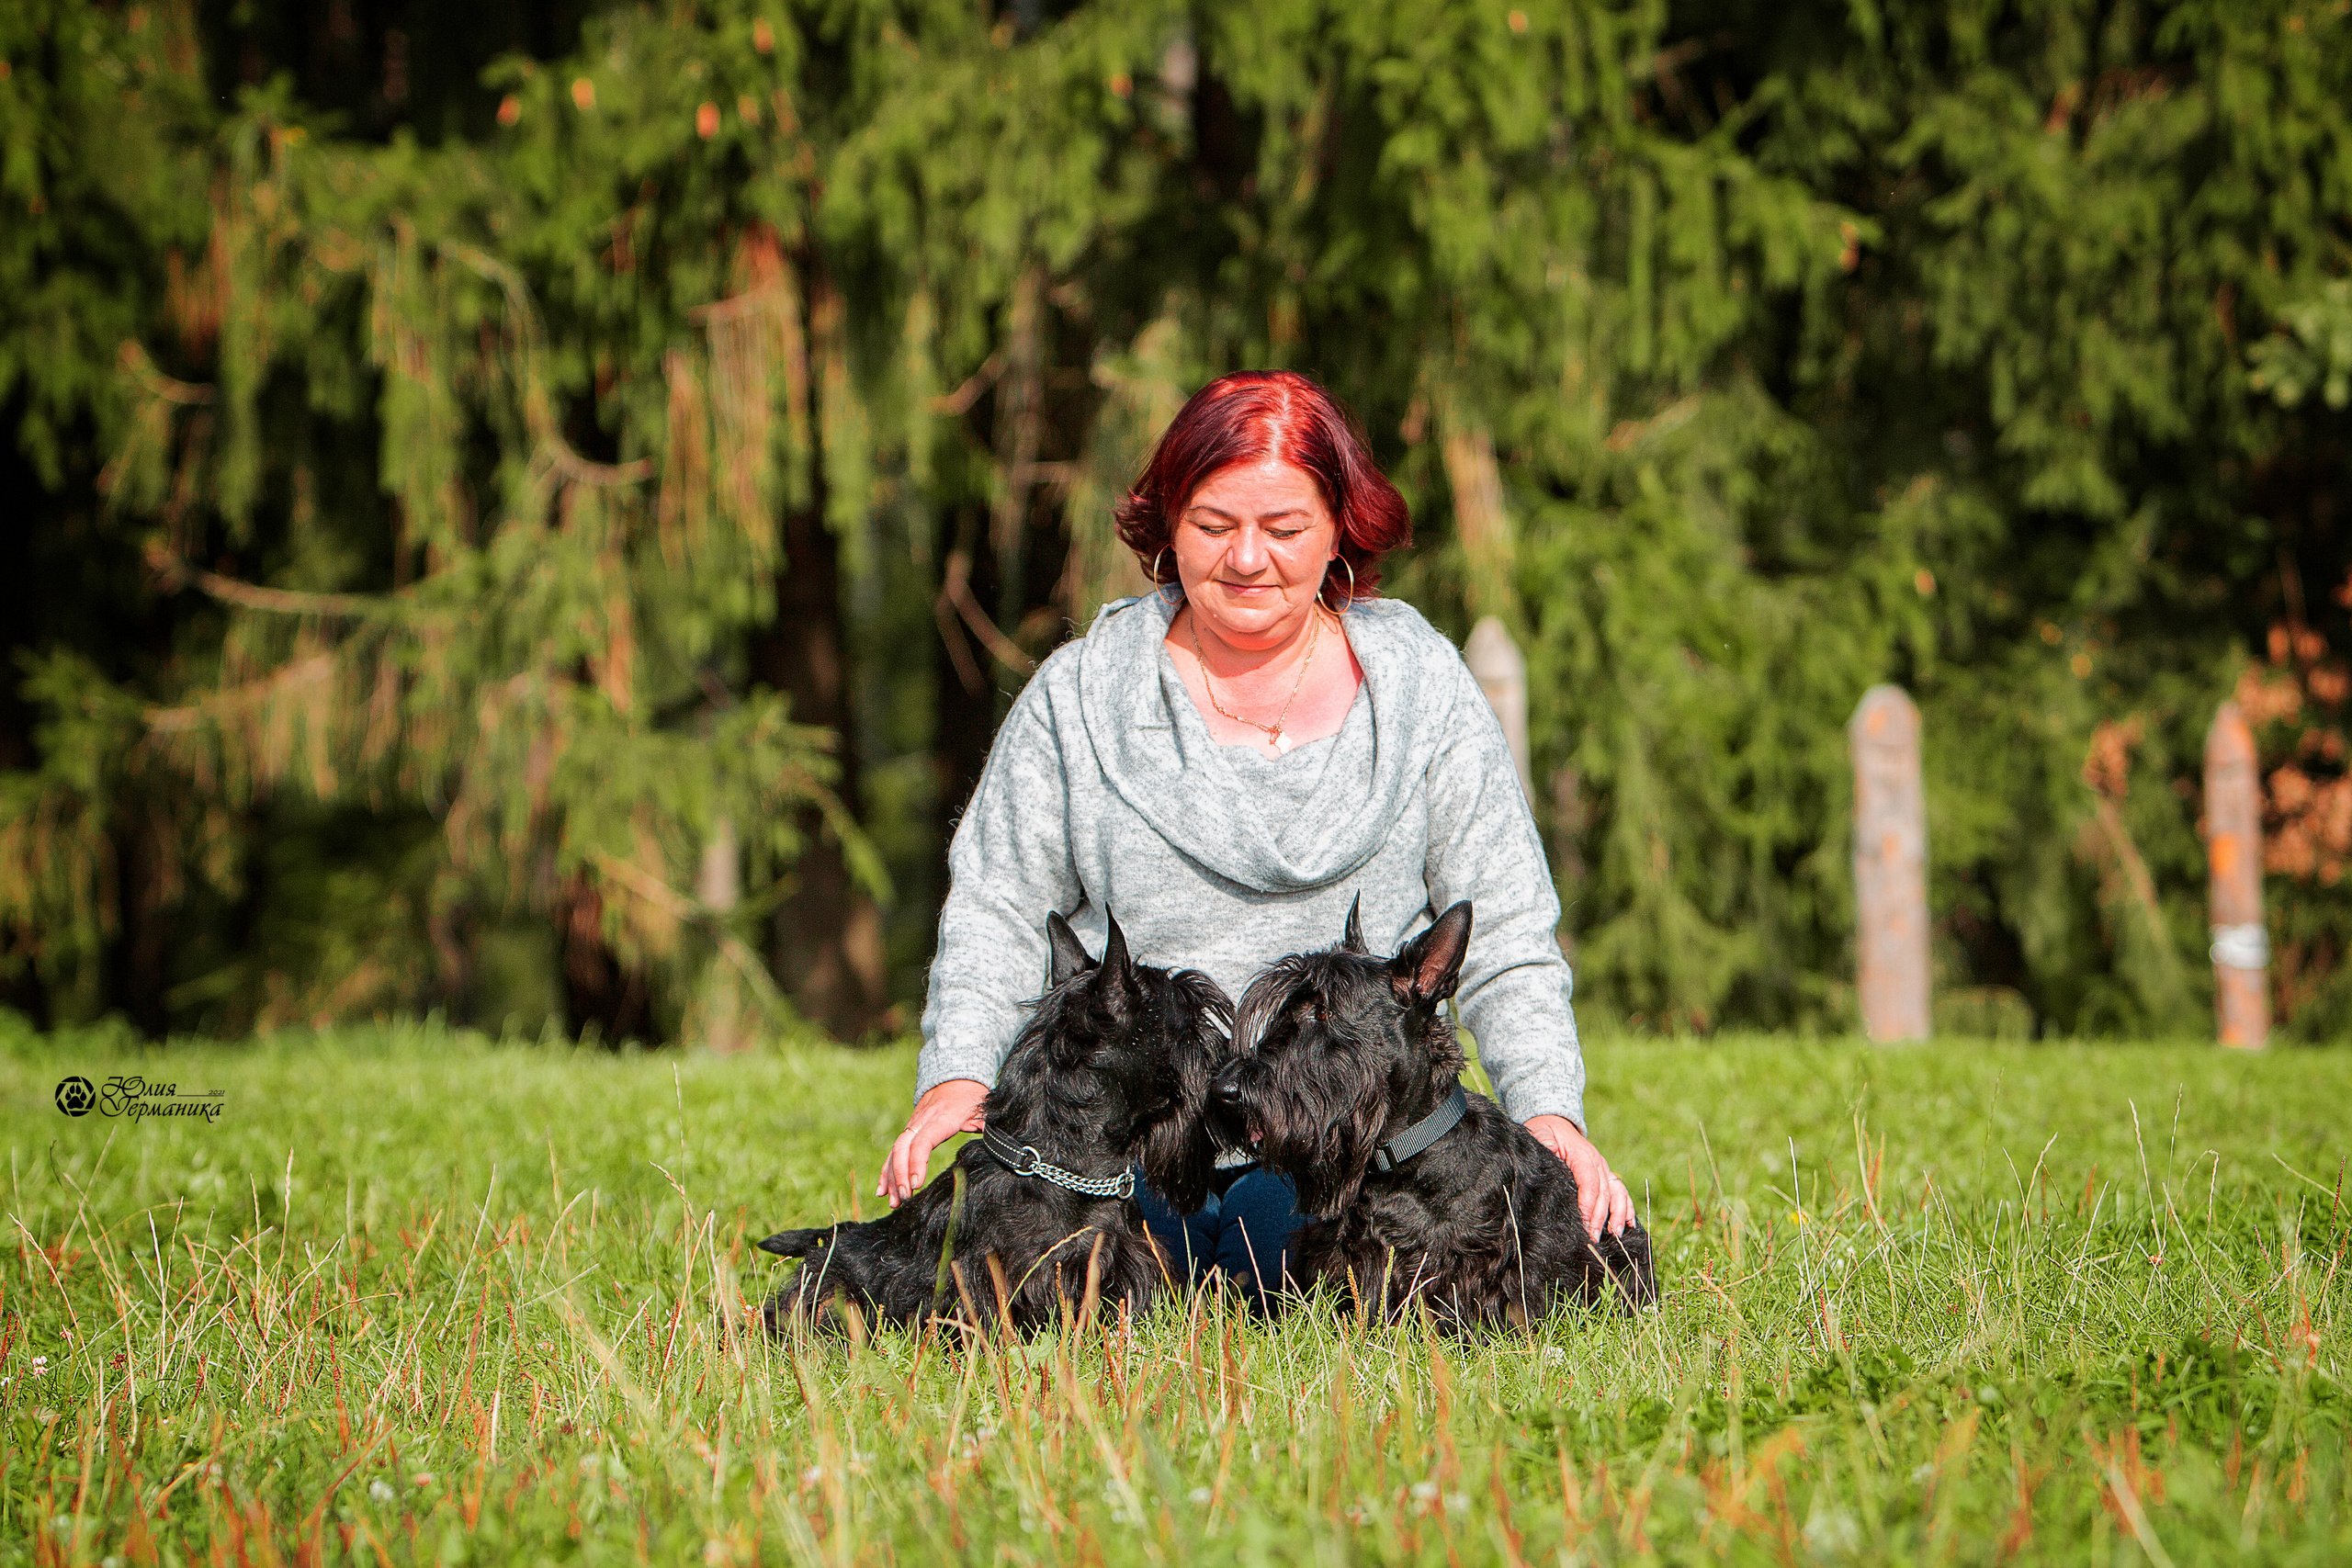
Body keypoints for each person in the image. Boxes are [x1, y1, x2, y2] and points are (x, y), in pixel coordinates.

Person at [878, 369, 1634, 1309]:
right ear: (1166, 526)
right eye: (1211, 524)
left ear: (1338, 530)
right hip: (1129, 1159)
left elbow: (1508, 930)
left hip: (1350, 1176)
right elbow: (996, 911)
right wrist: (955, 1079)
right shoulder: (1076, 697)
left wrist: (1548, 1111)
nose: (1246, 558)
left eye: (1282, 529)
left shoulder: (1422, 689)